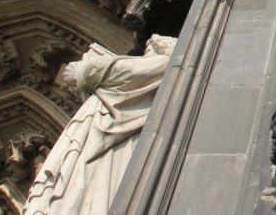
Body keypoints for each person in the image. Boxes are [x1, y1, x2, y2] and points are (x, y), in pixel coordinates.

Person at [24, 35, 176, 215]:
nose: (146, 54)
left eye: (150, 52)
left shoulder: (169, 66)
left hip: (104, 143)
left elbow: (138, 70)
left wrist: (85, 71)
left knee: (86, 189)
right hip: (95, 136)